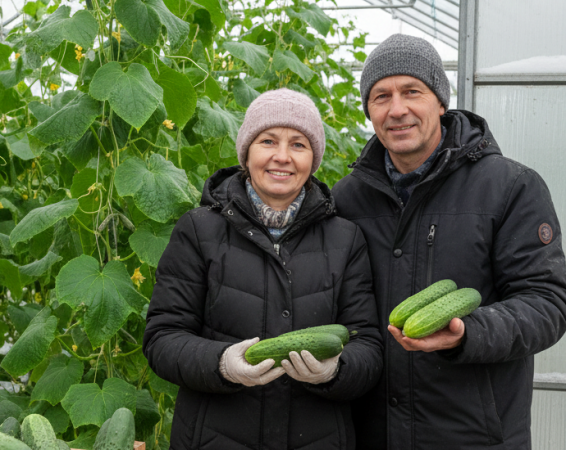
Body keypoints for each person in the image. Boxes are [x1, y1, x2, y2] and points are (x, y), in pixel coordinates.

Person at [332, 34, 566, 449]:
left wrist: (467, 332)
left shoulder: (511, 187)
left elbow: (548, 303)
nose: (397, 109)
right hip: (373, 433)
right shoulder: (346, 198)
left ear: (440, 101)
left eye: (412, 92)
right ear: (369, 109)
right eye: (381, 95)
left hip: (475, 436)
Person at [143, 88, 383, 449]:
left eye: (299, 145)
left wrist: (335, 370)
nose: (282, 157)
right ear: (247, 152)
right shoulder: (198, 230)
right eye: (268, 141)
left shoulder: (345, 238)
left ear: (313, 157)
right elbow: (162, 338)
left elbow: (367, 345)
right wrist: (222, 363)